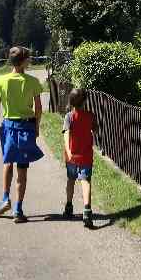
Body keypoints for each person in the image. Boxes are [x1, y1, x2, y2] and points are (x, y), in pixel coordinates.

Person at [0, 46, 45, 223]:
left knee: (8, 161)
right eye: (28, 58)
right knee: (22, 169)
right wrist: (36, 126)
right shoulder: (33, 82)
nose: (30, 61)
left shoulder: (2, 80)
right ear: (22, 62)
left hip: (8, 126)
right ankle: (18, 209)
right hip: (26, 127)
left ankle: (5, 197)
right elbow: (38, 108)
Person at [62, 88, 97, 229]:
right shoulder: (90, 116)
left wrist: (68, 150)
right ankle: (87, 210)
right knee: (86, 181)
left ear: (71, 101)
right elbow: (94, 129)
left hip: (72, 156)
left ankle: (69, 206)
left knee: (71, 180)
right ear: (85, 102)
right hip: (86, 155)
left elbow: (66, 133)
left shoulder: (69, 116)